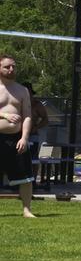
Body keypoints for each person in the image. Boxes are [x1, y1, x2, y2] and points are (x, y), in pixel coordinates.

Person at [0, 54, 36, 218]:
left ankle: (27, 210)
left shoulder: (22, 90)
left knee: (26, 177)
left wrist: (24, 138)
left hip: (17, 139)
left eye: (13, 66)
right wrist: (5, 116)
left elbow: (27, 115)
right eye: (7, 66)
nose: (11, 69)